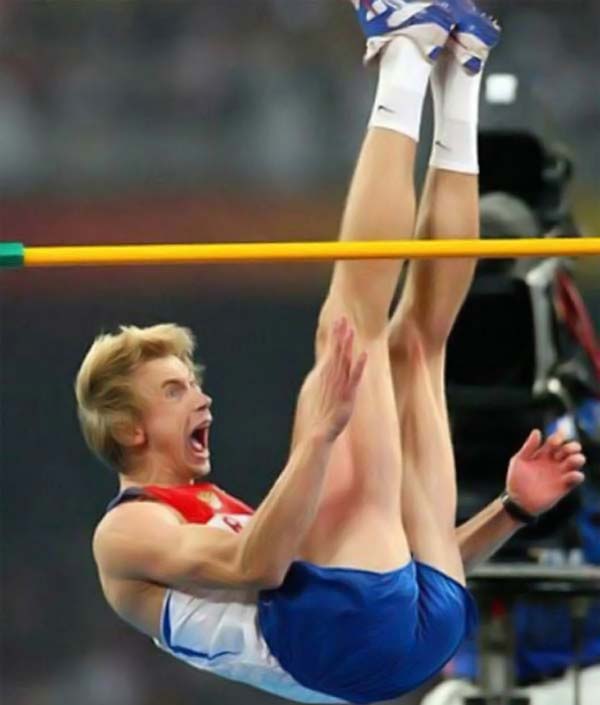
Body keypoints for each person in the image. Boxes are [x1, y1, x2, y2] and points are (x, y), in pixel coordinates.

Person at [76, 1, 586, 703]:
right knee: (349, 328)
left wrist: (512, 509)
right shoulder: (127, 530)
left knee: (417, 346)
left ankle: (460, 75)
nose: (203, 397)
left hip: (413, 629)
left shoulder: (217, 507)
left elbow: (384, 566)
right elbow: (257, 565)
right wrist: (318, 439)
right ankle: (405, 52)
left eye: (191, 382)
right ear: (128, 428)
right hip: (345, 638)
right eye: (173, 391)